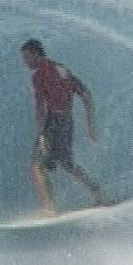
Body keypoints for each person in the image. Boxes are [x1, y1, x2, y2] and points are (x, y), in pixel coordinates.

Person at [20, 39, 109, 216]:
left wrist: (41, 134)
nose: (25, 62)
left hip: (52, 122)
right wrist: (91, 125)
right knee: (67, 164)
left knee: (36, 166)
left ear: (36, 55)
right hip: (66, 121)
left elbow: (40, 107)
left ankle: (49, 208)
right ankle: (99, 194)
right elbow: (86, 94)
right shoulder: (61, 69)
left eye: (26, 57)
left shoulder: (39, 75)